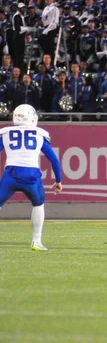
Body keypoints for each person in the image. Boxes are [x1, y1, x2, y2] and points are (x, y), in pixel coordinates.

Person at [0, 104, 63, 250]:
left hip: (10, 175)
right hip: (31, 176)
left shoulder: (6, 133)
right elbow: (53, 159)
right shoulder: (39, 134)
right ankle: (36, 241)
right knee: (38, 204)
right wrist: (58, 180)